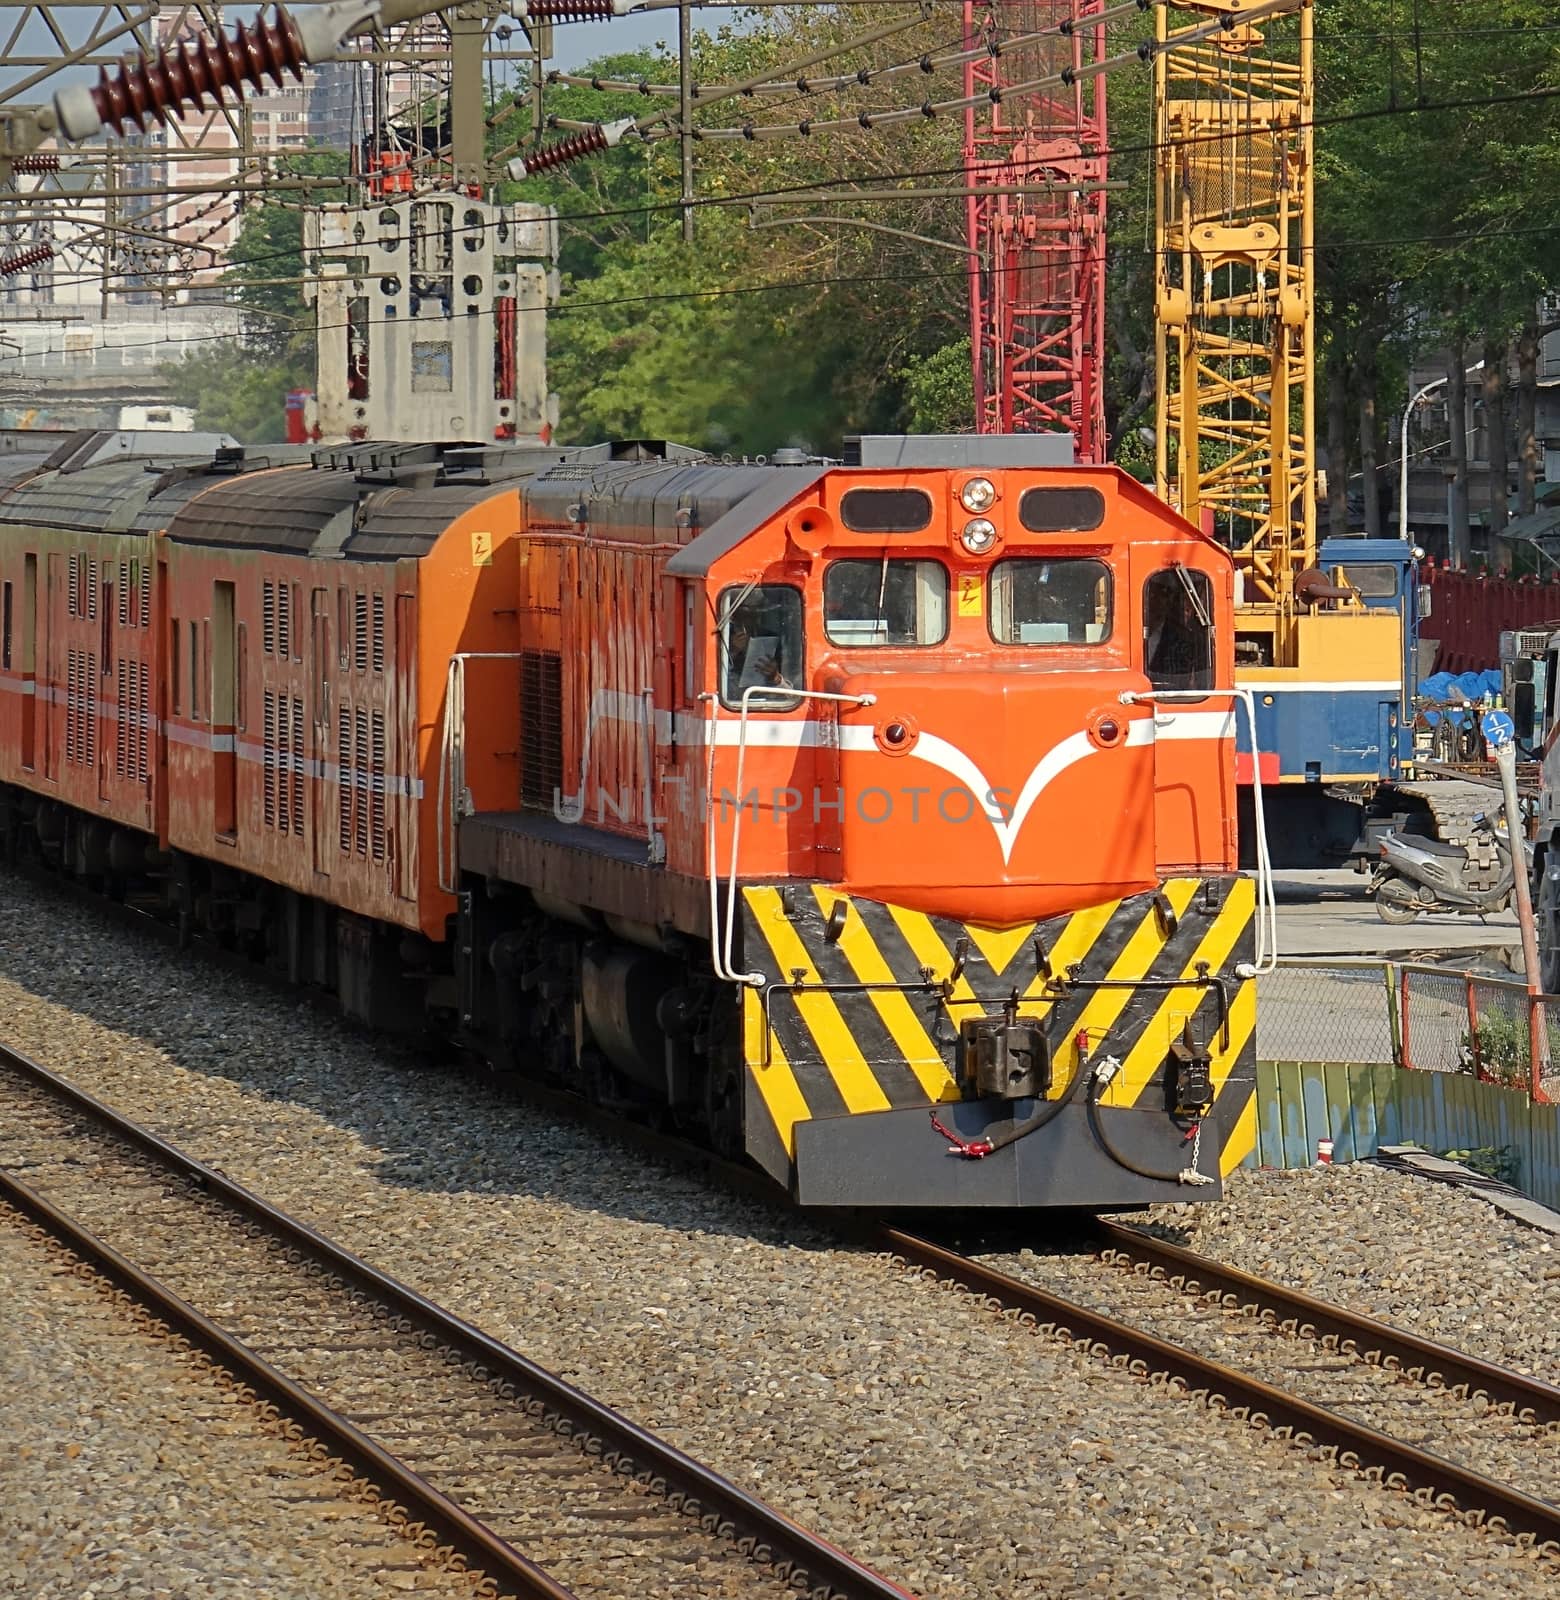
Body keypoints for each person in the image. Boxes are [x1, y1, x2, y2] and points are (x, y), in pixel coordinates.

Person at [725, 609, 792, 699]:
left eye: (748, 617)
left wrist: (775, 677)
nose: (744, 622)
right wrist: (732, 652)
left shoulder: (771, 640)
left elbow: (793, 696)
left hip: (768, 702)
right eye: (739, 617)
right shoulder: (723, 638)